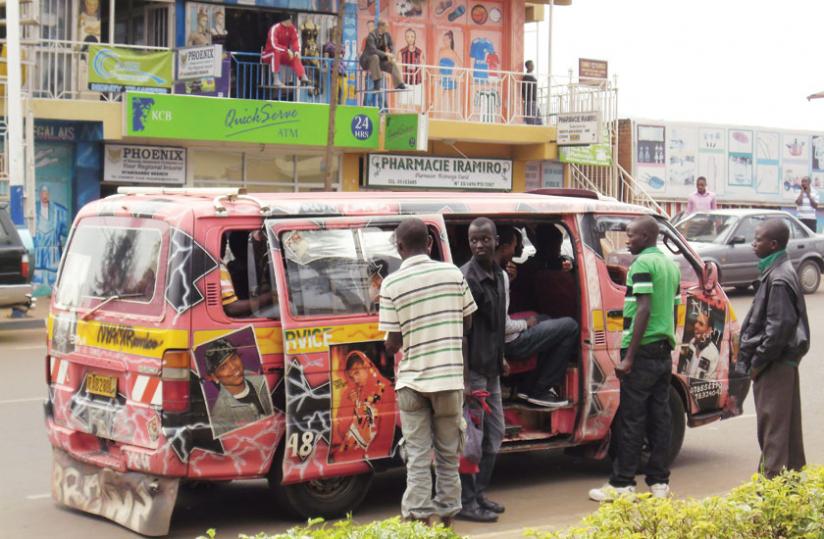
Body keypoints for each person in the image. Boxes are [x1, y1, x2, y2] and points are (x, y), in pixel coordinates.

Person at [379, 218, 476, 527]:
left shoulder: (391, 284)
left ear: (399, 247)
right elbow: (468, 324)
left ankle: (419, 526)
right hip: (448, 381)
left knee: (418, 459)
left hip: (411, 383)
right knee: (448, 457)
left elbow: (393, 344)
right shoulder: (453, 273)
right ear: (431, 244)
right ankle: (447, 522)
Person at [589, 216, 681, 502]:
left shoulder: (641, 265)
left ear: (646, 236)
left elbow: (642, 308)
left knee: (632, 419)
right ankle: (659, 483)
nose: (627, 239)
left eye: (631, 235)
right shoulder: (669, 265)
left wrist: (628, 357)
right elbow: (673, 308)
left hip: (640, 352)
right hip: (663, 351)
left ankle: (622, 484)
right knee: (660, 418)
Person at [738, 218, 809, 478]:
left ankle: (772, 494)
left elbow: (778, 330)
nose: (753, 244)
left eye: (758, 240)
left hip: (775, 364)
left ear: (774, 244)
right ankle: (789, 489)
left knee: (773, 431)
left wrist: (757, 363)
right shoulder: (778, 271)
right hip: (781, 363)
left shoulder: (778, 278)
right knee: (784, 429)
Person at [497, 226, 578, 407]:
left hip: (504, 334)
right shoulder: (499, 276)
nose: (516, 252)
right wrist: (526, 323)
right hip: (510, 340)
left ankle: (528, 387)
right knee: (571, 326)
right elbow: (504, 327)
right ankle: (542, 389)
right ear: (505, 247)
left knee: (544, 319)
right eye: (515, 247)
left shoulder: (497, 272)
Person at [458, 217, 507, 523]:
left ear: (495, 240)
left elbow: (497, 323)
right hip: (473, 371)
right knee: (472, 442)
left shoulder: (499, 274)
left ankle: (478, 493)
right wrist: (464, 379)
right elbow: (462, 333)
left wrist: (501, 356)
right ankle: (466, 501)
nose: (479, 245)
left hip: (491, 369)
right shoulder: (467, 278)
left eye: (485, 239)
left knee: (495, 434)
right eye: (474, 240)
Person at [205, 338, 274, 438]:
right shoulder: (220, 418)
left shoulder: (264, 381)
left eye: (233, 358)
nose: (233, 367)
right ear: (215, 377)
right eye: (223, 367)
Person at [331, 350, 390, 462]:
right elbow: (344, 427)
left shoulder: (385, 389)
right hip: (353, 449)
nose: (356, 380)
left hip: (368, 452)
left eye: (357, 373)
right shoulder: (355, 392)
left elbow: (381, 431)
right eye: (352, 377)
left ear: (366, 366)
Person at [34, 186, 69, 289]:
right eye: (43, 193)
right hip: (38, 248)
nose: (45, 196)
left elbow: (65, 230)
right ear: (39, 194)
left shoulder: (59, 210)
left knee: (53, 277)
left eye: (47, 193)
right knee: (37, 276)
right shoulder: (33, 208)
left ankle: (53, 291)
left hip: (53, 249)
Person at [261, 18, 310, 87]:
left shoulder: (292, 28)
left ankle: (302, 76)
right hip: (268, 53)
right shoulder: (275, 28)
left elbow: (295, 40)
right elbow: (274, 44)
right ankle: (276, 78)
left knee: (294, 56)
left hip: (282, 54)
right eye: (289, 20)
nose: (290, 22)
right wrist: (286, 50)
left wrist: (296, 51)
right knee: (276, 52)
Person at [359, 20, 405, 92]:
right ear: (380, 27)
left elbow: (391, 45)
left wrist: (392, 54)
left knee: (391, 63)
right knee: (375, 57)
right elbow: (373, 50)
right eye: (386, 26)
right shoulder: (371, 35)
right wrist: (386, 54)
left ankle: (399, 84)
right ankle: (376, 83)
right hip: (367, 60)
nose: (387, 28)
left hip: (379, 61)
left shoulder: (387, 35)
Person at [679, 305, 720, 380]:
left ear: (709, 330)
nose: (696, 325)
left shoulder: (713, 354)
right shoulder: (692, 342)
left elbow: (710, 382)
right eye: (696, 322)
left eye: (701, 324)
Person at [397, 28, 424, 107]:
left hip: (417, 83)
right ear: (405, 38)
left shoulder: (420, 52)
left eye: (412, 36)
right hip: (405, 83)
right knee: (403, 106)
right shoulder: (401, 52)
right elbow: (398, 67)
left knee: (417, 106)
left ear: (415, 38)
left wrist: (423, 81)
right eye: (408, 36)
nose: (410, 38)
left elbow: (423, 67)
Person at [522, 60, 540, 125]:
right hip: (530, 100)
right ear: (528, 67)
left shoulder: (531, 76)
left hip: (533, 100)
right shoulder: (526, 77)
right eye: (531, 65)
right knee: (531, 120)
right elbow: (524, 89)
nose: (533, 66)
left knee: (538, 120)